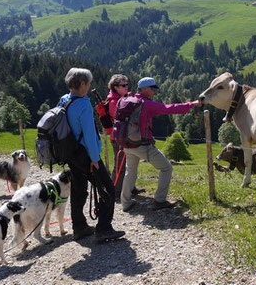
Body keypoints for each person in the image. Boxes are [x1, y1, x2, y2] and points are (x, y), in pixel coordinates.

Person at [59, 67, 125, 243]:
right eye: (88, 83)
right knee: (108, 188)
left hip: (71, 154)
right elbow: (89, 134)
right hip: (86, 155)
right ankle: (103, 228)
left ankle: (79, 227)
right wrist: (95, 160)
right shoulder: (83, 104)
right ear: (82, 84)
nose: (89, 86)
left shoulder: (64, 100)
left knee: (78, 188)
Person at [121, 76, 201, 212]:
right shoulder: (146, 103)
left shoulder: (128, 100)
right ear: (145, 89)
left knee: (130, 172)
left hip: (127, 144)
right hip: (142, 145)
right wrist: (191, 104)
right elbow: (169, 108)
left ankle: (126, 203)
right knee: (166, 168)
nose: (155, 92)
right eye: (153, 89)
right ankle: (159, 200)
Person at [106, 74, 144, 201]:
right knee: (120, 165)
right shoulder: (113, 102)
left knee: (129, 164)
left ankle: (129, 188)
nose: (126, 87)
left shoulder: (121, 98)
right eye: (123, 85)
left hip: (123, 136)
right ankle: (115, 192)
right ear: (115, 87)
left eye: (127, 84)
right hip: (118, 138)